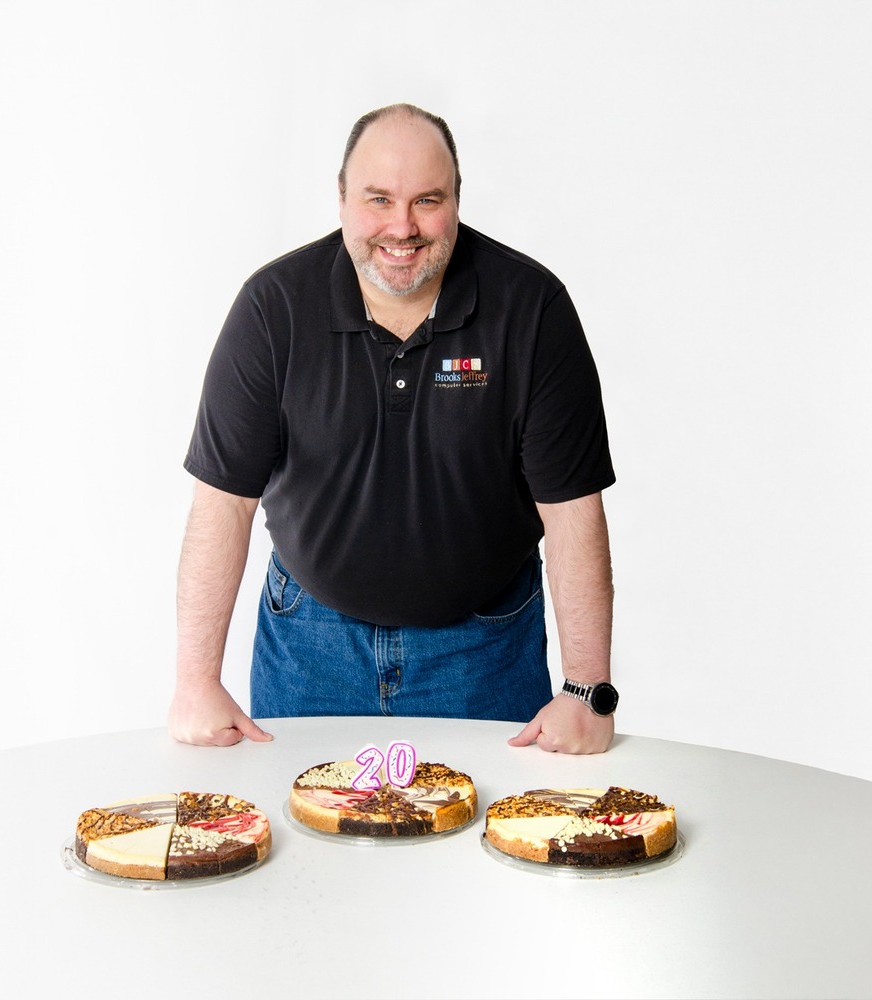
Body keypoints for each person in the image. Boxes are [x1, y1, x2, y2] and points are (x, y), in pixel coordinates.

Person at [168, 103, 618, 755]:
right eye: (378, 199)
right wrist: (194, 681)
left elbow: (573, 510)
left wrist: (587, 690)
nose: (402, 228)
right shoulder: (273, 308)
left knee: (491, 822)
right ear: (342, 199)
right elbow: (224, 502)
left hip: (483, 650)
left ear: (457, 199)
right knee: (304, 821)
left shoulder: (532, 309)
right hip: (309, 649)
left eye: (426, 201)